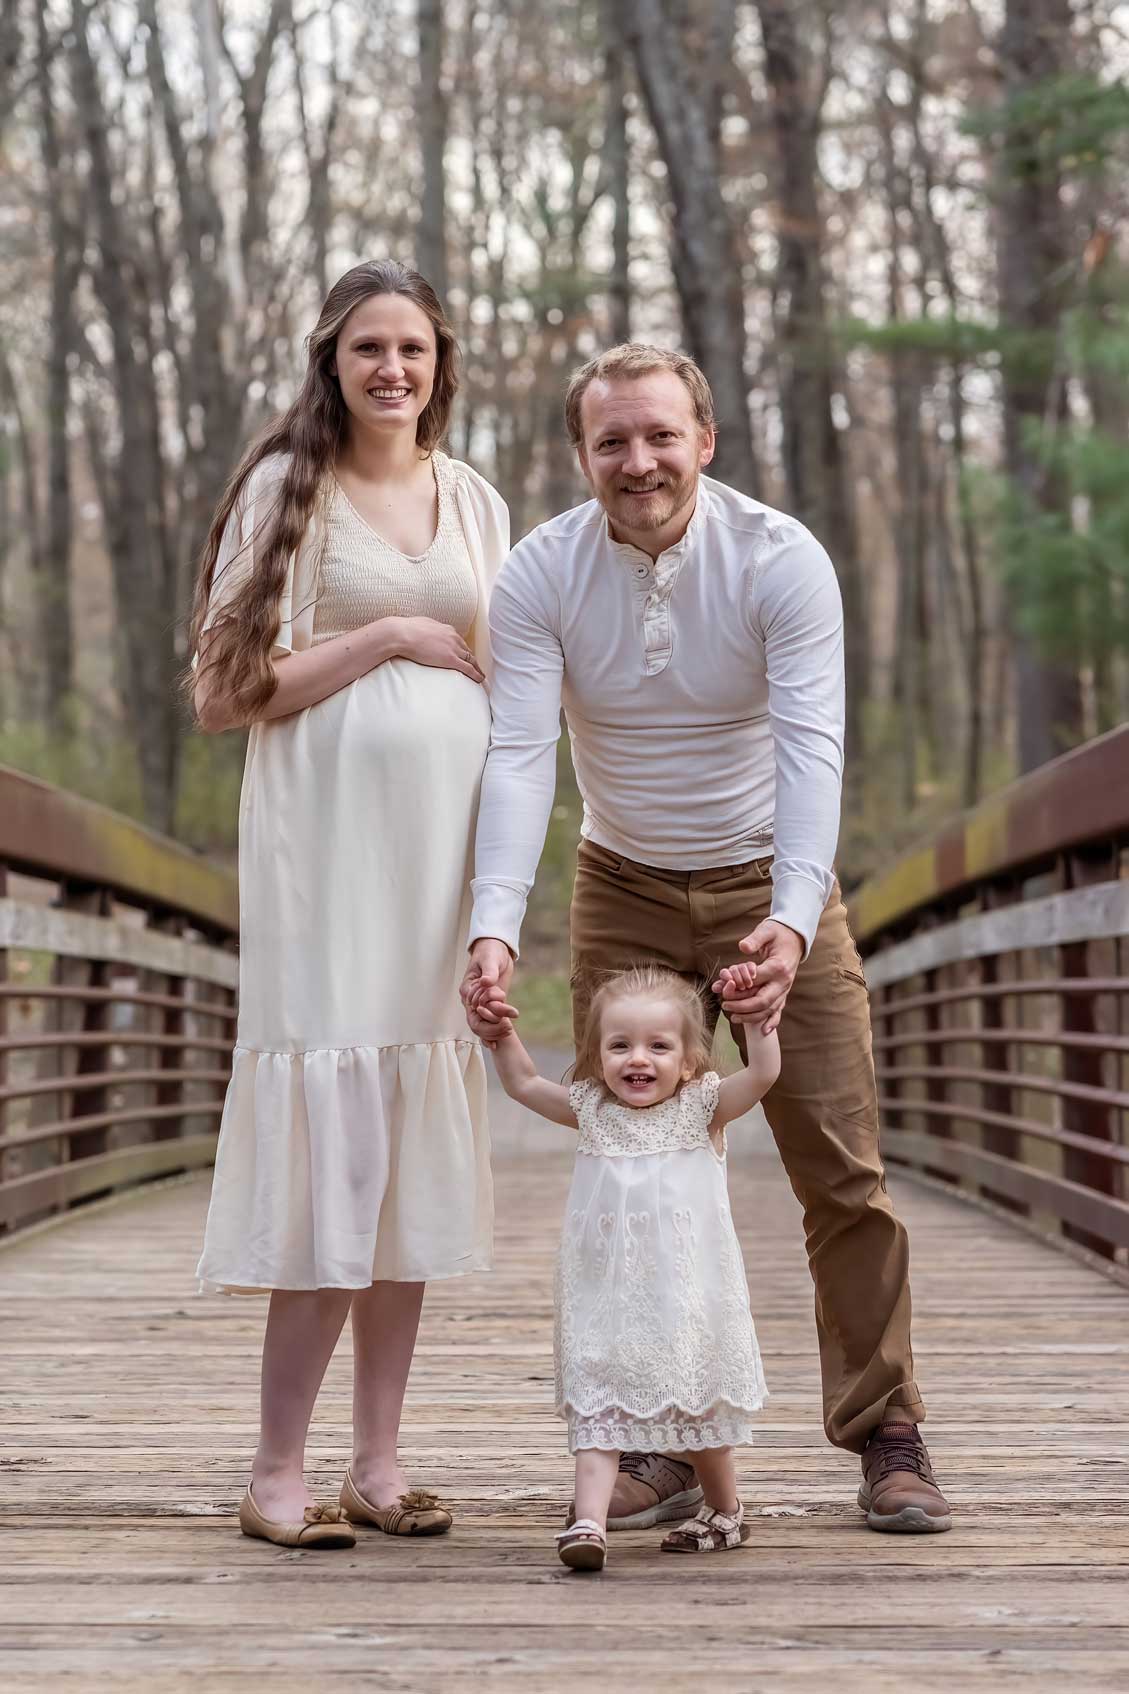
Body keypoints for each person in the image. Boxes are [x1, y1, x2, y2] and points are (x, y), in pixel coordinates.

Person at [463, 342, 952, 1536]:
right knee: (635, 1168)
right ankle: (658, 1438)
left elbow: (811, 744)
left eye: (660, 435)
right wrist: (492, 921)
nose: (639, 461)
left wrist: (789, 914)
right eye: (611, 441)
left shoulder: (778, 559)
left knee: (840, 1166)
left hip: (769, 877)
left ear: (705, 439)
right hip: (620, 880)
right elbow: (521, 753)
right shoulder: (540, 572)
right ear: (581, 454)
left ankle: (886, 1428)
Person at [190, 259, 509, 1550]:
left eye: (413, 348)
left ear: (440, 364)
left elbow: (508, 678)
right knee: (339, 1155)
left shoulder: (473, 497)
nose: (392, 368)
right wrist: (384, 638)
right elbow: (224, 692)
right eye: (369, 346)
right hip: (325, 871)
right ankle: (277, 1470)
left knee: (407, 1160)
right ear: (331, 359)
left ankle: (379, 1461)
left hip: (436, 873)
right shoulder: (287, 485)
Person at [485, 964, 778, 1570]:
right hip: (606, 1298)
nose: (637, 1058)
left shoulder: (702, 1109)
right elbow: (523, 1084)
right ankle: (588, 1524)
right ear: (597, 1057)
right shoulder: (592, 1109)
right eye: (619, 1045)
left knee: (699, 1409)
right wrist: (500, 1034)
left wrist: (754, 1019)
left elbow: (763, 1074)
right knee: (599, 1401)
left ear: (689, 1061)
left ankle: (725, 1511)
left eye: (658, 1046)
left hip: (686, 1301)